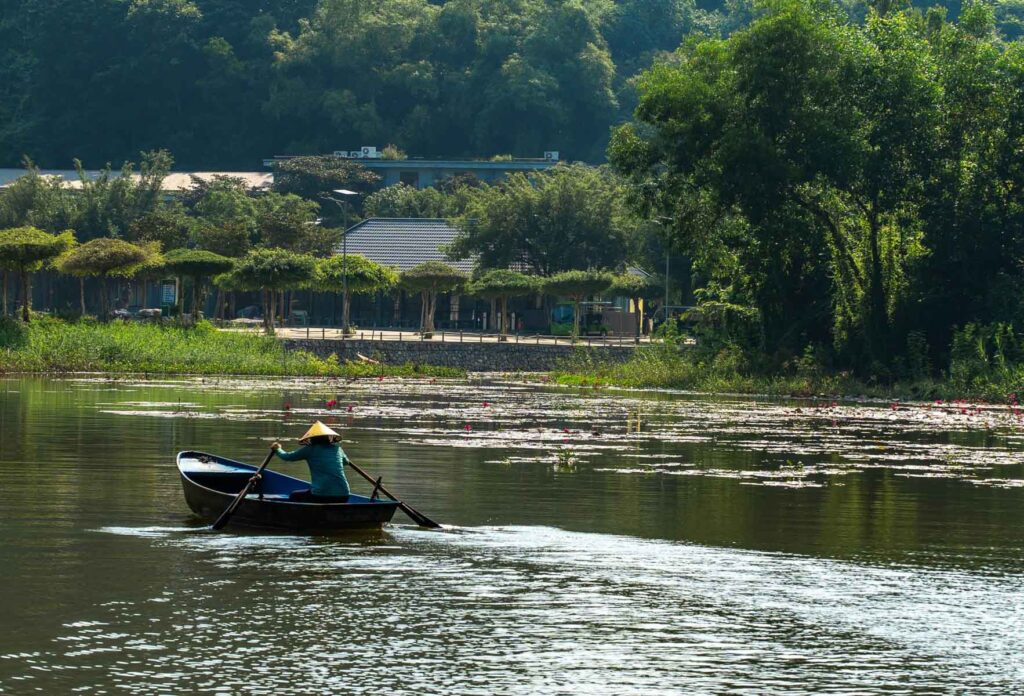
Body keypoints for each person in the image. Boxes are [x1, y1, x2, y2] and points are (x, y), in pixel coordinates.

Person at [272, 421, 351, 502]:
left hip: (321, 495)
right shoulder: (337, 449)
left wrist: (278, 449)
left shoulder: (310, 449)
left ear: (312, 438)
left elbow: (287, 457)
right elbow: (346, 462)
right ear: (328, 438)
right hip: (344, 494)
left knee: (294, 496)